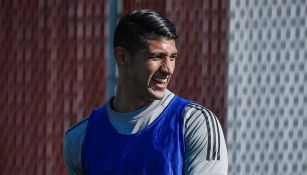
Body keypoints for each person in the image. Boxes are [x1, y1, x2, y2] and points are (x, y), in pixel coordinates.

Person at [64, 9, 228, 175]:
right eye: (157, 57)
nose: (168, 69)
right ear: (122, 57)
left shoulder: (195, 124)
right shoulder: (80, 138)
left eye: (172, 58)